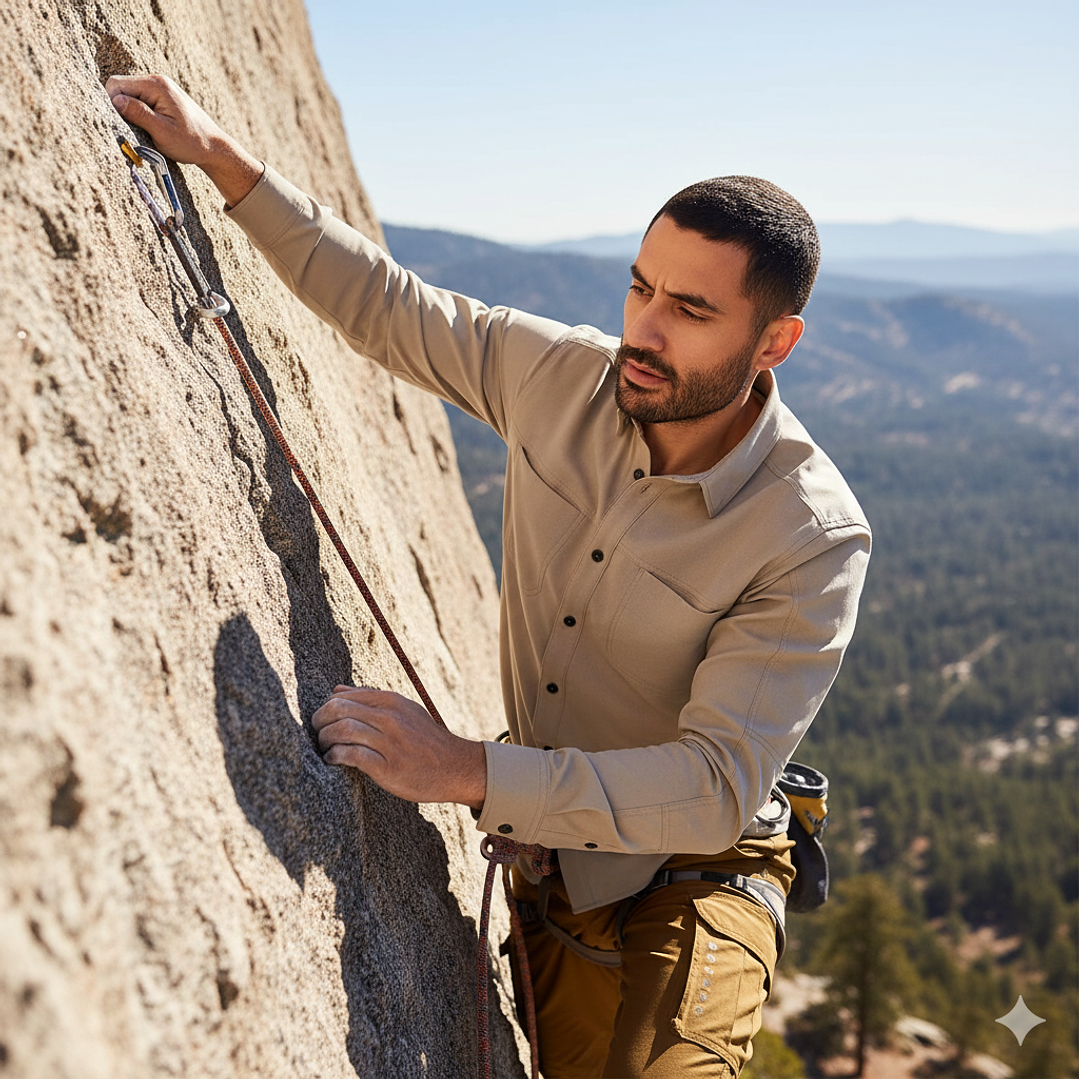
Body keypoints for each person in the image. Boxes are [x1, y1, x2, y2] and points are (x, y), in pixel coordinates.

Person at [108, 75, 871, 1078]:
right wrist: (222, 161)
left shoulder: (808, 534)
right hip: (552, 846)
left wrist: (474, 772)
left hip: (699, 869)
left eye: (689, 309)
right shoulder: (563, 375)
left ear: (773, 342)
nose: (643, 330)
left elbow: (712, 784)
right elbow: (389, 309)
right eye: (639, 287)